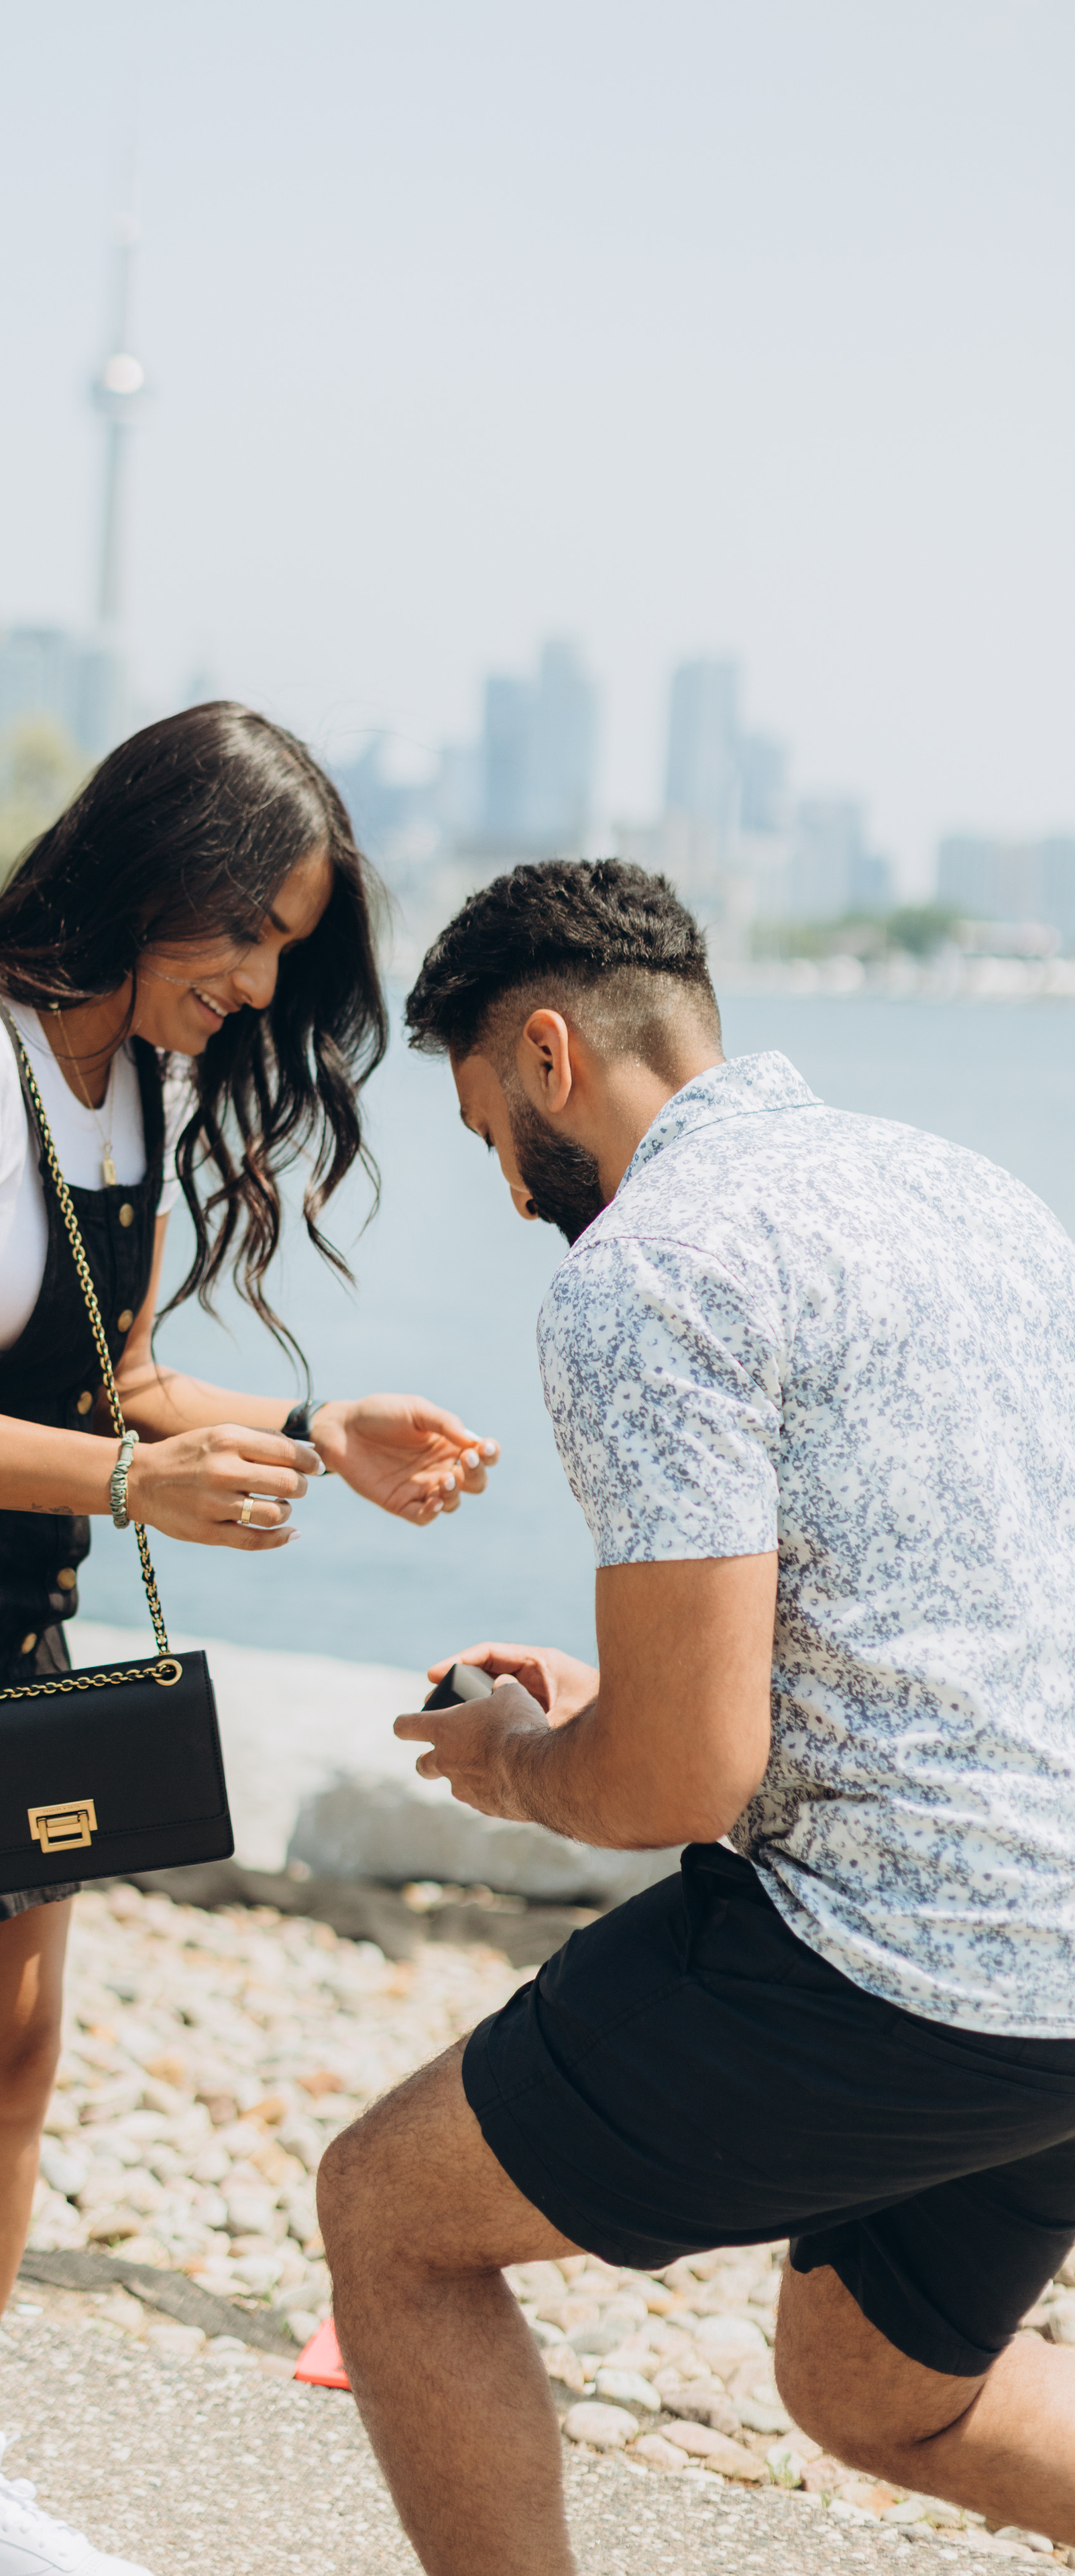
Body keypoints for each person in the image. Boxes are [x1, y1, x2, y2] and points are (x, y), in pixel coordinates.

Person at [0, 701, 500, 2576]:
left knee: (12, 2070)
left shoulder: (134, 1072)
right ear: (162, 876)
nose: (265, 981)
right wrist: (134, 1493)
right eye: (256, 932)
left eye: (293, 950)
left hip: (10, 1624)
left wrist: (305, 1434)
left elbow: (108, 1376)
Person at [315, 857, 1075, 2576]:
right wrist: (629, 1706)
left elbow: (673, 1782)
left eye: (485, 1131)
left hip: (900, 1966)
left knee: (390, 2217)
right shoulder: (970, 1196)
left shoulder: (646, 1271)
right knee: (874, 2392)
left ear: (544, 1055)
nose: (508, 1188)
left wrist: (517, 1766)